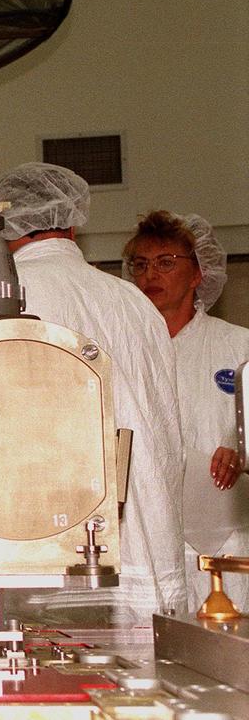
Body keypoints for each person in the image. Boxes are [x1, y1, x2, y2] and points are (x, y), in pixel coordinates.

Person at [0, 163, 186, 623]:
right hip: (148, 550)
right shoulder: (132, 300)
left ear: (0, 223)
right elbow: (164, 430)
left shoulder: (0, 295)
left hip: (49, 562)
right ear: (74, 223)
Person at [122, 211, 249, 613]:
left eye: (165, 263)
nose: (150, 275)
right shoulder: (123, 351)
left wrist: (240, 450)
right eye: (140, 265)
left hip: (224, 532)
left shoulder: (239, 346)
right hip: (144, 532)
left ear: (198, 274)